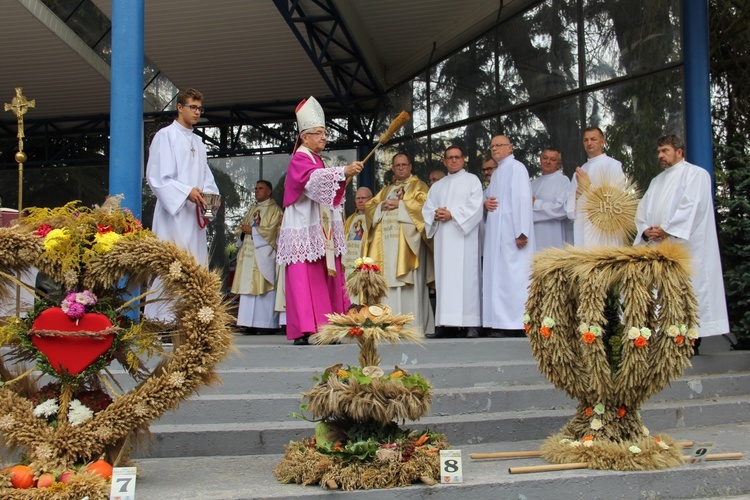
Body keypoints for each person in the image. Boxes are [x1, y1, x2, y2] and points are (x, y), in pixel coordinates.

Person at [276, 96, 364, 345]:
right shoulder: (299, 159)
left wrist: (342, 177)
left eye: (325, 133)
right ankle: (304, 329)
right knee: (304, 278)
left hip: (320, 229)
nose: (324, 138)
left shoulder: (318, 160)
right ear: (304, 137)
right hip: (304, 227)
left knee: (325, 276)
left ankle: (328, 327)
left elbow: (329, 192)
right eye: (319, 133)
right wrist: (342, 172)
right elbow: (312, 182)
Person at [634, 134, 729, 342]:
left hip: (687, 248)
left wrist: (667, 229)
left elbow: (691, 206)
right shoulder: (656, 181)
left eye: (665, 151)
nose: (660, 155)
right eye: (659, 151)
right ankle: (666, 337)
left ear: (679, 152)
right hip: (659, 247)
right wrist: (645, 231)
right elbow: (642, 211)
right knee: (664, 294)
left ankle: (692, 339)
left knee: (690, 292)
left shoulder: (696, 175)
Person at [145, 87, 220, 323]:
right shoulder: (165, 136)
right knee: (171, 264)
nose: (197, 112)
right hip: (173, 215)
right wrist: (186, 192)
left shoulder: (199, 142)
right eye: (193, 107)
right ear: (180, 107)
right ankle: (164, 321)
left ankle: (192, 319)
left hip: (194, 218)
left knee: (195, 263)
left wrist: (209, 204)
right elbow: (157, 177)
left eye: (200, 108)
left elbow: (207, 179)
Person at [366, 153, 434, 334]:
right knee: (388, 284)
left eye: (404, 164)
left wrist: (401, 205)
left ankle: (412, 328)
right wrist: (381, 207)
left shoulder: (420, 186)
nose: (401, 168)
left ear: (411, 166)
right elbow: (369, 207)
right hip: (387, 248)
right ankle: (388, 325)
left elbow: (426, 209)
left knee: (409, 287)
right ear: (393, 168)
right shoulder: (386, 190)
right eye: (397, 165)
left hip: (408, 248)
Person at [422, 146, 483, 338]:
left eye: (457, 157)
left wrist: (453, 214)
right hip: (444, 240)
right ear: (445, 161)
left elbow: (476, 207)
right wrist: (435, 214)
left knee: (467, 279)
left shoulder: (472, 180)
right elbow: (427, 208)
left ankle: (471, 323)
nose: (454, 161)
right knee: (445, 279)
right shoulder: (438, 185)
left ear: (463, 159)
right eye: (450, 158)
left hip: (464, 238)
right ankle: (445, 324)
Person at [482, 135, 535, 337]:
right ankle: (500, 321)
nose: (495, 149)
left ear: (510, 148)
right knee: (500, 277)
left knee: (514, 276)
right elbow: (488, 198)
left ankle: (516, 323)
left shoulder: (517, 168)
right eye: (492, 146)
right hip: (497, 235)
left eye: (499, 145)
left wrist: (521, 231)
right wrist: (484, 204)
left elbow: (522, 199)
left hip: (513, 236)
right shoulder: (496, 174)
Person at [232, 180, 283, 333]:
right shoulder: (253, 209)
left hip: (263, 254)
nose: (257, 191)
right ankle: (247, 323)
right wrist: (243, 230)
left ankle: (265, 324)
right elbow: (242, 227)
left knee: (264, 288)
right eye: (255, 188)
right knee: (248, 287)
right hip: (249, 254)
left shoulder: (275, 210)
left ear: (269, 191)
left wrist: (253, 231)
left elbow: (273, 231)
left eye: (260, 189)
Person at [566, 127, 626, 247]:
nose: (589, 143)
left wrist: (589, 188)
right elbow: (570, 208)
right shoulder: (580, 172)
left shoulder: (613, 165)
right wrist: (580, 191)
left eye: (593, 139)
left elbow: (617, 200)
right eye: (585, 140)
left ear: (602, 142)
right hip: (583, 228)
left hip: (605, 229)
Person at [531, 148, 572, 250]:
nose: (548, 162)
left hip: (553, 235)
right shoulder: (533, 184)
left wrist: (536, 203)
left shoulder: (563, 181)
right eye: (545, 158)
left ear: (559, 164)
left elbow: (561, 209)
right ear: (540, 160)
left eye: (553, 159)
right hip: (534, 236)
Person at [343, 186, 373, 303]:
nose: (360, 201)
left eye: (363, 198)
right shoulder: (351, 219)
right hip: (350, 261)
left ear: (371, 199)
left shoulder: (373, 217)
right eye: (358, 198)